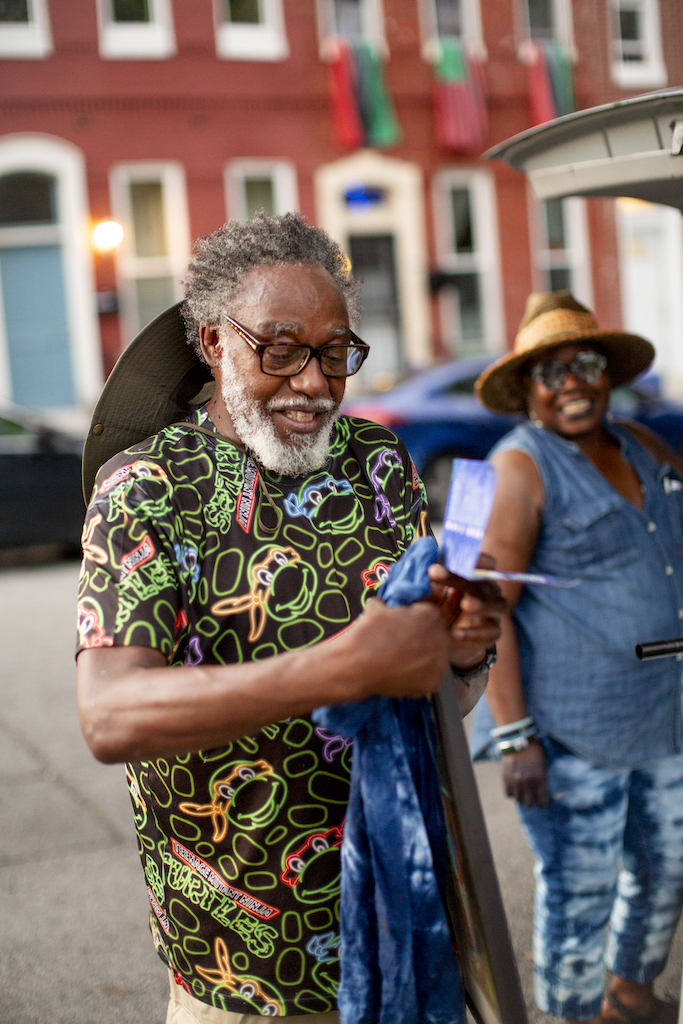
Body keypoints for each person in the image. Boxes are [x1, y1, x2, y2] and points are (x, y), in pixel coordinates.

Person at [76, 212, 503, 1024]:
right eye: (279, 350)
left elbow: (430, 699)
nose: (313, 382)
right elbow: (110, 716)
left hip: (404, 929)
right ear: (214, 343)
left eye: (334, 353)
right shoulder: (146, 489)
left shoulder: (378, 462)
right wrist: (346, 667)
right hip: (246, 975)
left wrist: (459, 653)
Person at [470, 290, 683, 1024]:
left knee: (665, 868)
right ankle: (573, 1016)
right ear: (526, 389)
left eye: (585, 364)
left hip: (661, 714)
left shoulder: (642, 445)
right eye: (550, 371)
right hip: (571, 730)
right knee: (579, 887)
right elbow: (485, 610)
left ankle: (630, 993)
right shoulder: (516, 468)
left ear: (607, 374)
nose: (571, 383)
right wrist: (514, 737)